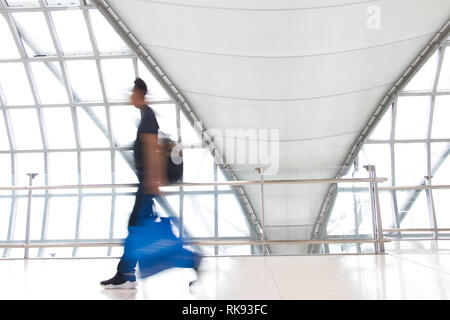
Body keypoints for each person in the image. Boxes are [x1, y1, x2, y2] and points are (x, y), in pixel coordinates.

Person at [100, 78, 200, 289]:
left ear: (140, 94)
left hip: (146, 185)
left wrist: (152, 181)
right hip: (146, 184)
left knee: (137, 228)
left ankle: (191, 260)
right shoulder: (147, 117)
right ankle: (125, 272)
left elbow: (151, 149)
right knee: (137, 229)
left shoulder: (148, 118)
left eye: (133, 93)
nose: (130, 97)